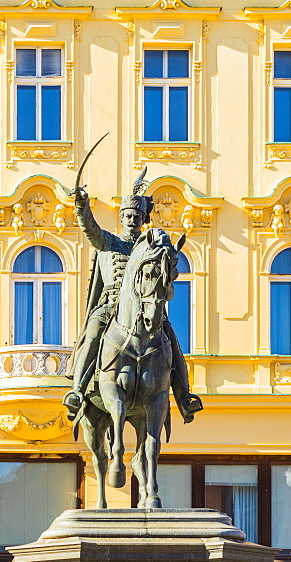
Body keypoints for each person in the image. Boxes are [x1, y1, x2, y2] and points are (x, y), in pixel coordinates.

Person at [63, 175, 203, 424]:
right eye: (127, 216)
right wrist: (82, 206)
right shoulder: (109, 242)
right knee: (93, 331)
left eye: (137, 216)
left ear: (143, 219)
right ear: (121, 218)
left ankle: (184, 396)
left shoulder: (148, 248)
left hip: (146, 307)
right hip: (110, 305)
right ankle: (77, 390)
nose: (132, 220)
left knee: (171, 338)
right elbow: (89, 228)